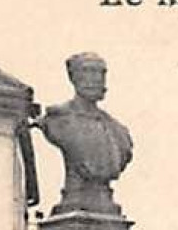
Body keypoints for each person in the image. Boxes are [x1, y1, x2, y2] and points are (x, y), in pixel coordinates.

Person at [37, 52, 134, 215]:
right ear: (73, 78)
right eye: (88, 71)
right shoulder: (58, 119)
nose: (95, 79)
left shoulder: (119, 131)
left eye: (100, 73)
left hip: (105, 201)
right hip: (73, 196)